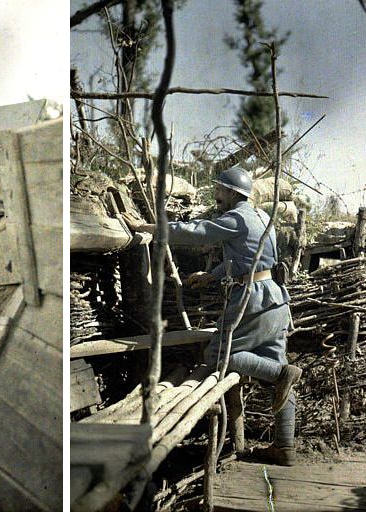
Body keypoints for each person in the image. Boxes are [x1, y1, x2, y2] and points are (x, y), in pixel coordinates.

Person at [123, 166, 302, 466]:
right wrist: (212, 275)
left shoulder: (236, 217)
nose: (216, 196)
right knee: (277, 369)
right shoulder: (259, 217)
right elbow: (249, 260)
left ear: (233, 193)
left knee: (218, 356)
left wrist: (151, 229)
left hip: (253, 301)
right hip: (276, 301)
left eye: (219, 190)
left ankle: (282, 374)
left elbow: (198, 231)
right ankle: (286, 448)